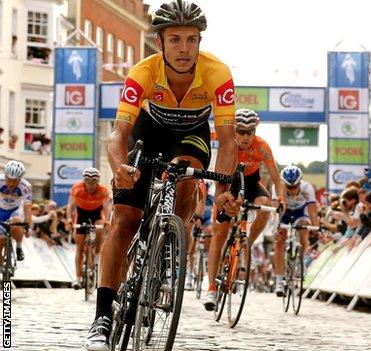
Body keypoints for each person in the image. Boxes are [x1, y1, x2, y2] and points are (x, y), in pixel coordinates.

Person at [84, 1, 241, 349]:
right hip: (147, 131)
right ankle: (101, 318)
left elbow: (228, 142)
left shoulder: (217, 72)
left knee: (186, 175)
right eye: (175, 40)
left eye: (191, 39)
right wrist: (119, 169)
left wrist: (226, 188)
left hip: (191, 134)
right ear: (160, 43)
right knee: (125, 221)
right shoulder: (143, 71)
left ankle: (171, 242)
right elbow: (117, 134)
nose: (184, 49)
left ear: (200, 41)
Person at [203, 108, 285, 309]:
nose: (246, 137)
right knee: (219, 235)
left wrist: (281, 197)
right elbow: (218, 184)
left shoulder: (262, 147)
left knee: (266, 204)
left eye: (250, 132)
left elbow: (276, 177)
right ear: (234, 130)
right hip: (227, 183)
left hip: (251, 183)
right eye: (241, 131)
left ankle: (247, 241)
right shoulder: (227, 145)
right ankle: (211, 288)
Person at [272, 166, 319, 297]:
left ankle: (300, 260)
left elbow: (313, 211)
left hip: (300, 213)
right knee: (279, 240)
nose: (293, 190)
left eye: (295, 186)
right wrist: (275, 228)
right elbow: (275, 212)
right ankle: (279, 281)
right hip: (284, 213)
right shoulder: (277, 188)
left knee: (304, 229)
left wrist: (316, 229)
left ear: (300, 183)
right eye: (289, 187)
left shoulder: (307, 188)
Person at [66, 168, 111, 290]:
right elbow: (71, 205)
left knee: (100, 228)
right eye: (88, 182)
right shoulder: (77, 188)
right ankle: (77, 277)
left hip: (96, 213)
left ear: (97, 182)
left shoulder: (103, 190)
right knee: (79, 248)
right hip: (81, 214)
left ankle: (96, 253)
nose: (91, 186)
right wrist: (69, 219)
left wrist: (107, 221)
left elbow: (106, 206)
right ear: (84, 181)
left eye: (93, 182)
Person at [0, 160, 32, 263]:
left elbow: (27, 207)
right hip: (1, 209)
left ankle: (18, 246)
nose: (11, 183)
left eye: (15, 181)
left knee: (17, 222)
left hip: (15, 210)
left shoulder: (26, 186)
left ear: (20, 179)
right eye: (9, 179)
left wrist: (28, 225)